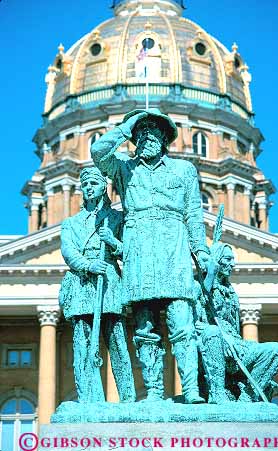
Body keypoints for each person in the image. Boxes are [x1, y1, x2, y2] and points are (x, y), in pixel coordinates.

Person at [91, 108, 209, 403]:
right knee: (145, 328)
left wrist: (202, 253)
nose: (147, 137)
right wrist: (126, 127)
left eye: (153, 132)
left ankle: (191, 389)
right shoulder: (123, 169)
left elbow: (194, 214)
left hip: (174, 248)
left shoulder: (184, 171)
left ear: (165, 138)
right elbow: (98, 152)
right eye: (141, 133)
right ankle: (154, 390)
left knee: (182, 323)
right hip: (139, 250)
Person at [59, 167, 136, 403]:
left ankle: (128, 397)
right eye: (85, 185)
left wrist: (112, 241)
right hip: (83, 282)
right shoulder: (70, 223)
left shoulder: (117, 218)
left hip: (109, 279)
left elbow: (129, 252)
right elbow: (68, 251)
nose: (89, 187)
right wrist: (87, 265)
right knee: (82, 341)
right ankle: (90, 398)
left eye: (94, 183)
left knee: (117, 340)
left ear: (104, 187)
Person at [194, 243, 278, 404]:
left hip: (236, 345)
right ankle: (217, 393)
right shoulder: (198, 286)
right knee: (212, 333)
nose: (233, 264)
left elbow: (235, 328)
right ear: (216, 261)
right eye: (228, 259)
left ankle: (247, 397)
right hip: (211, 344)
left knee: (275, 349)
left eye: (233, 259)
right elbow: (194, 321)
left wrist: (232, 340)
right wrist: (210, 276)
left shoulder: (230, 291)